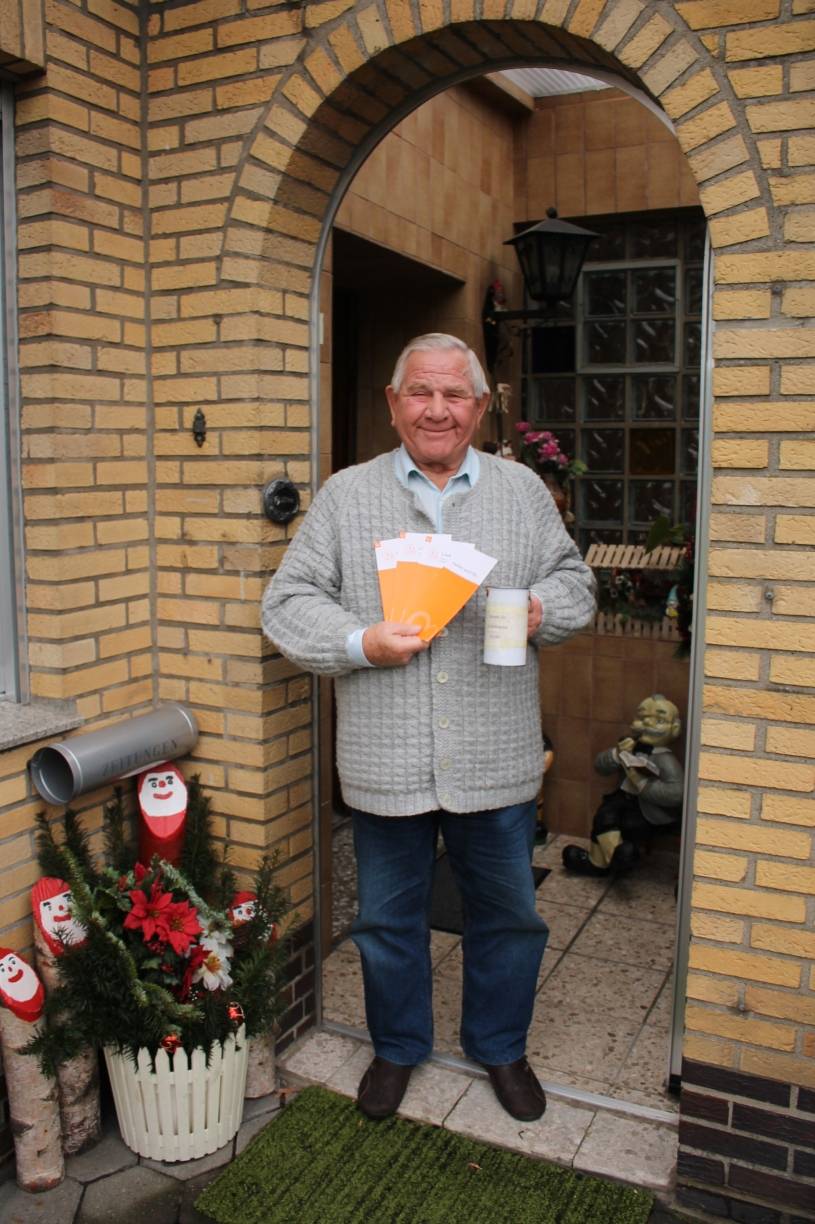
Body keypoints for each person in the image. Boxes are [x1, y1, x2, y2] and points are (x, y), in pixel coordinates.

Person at [262, 333, 595, 1123]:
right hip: (385, 759)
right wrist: (358, 642)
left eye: (454, 395)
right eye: (419, 392)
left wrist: (545, 608)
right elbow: (286, 603)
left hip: (496, 755)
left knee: (508, 917)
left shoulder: (520, 493)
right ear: (392, 402)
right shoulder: (346, 495)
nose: (436, 409)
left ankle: (500, 1046)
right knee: (385, 920)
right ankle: (398, 1047)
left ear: (479, 407)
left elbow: (574, 580)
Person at [561, 694, 684, 877]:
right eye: (643, 718)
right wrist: (617, 754)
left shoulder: (667, 761)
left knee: (627, 823)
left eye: (659, 720)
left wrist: (641, 782)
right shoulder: (629, 746)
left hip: (648, 810)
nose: (648, 724)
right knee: (604, 816)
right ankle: (609, 860)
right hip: (621, 798)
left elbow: (676, 794)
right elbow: (600, 767)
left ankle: (610, 860)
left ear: (674, 728)